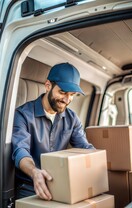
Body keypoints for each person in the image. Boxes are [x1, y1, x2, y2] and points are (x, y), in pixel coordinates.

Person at [12, 62, 94, 200]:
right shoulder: (22, 115)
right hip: (29, 186)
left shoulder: (72, 118)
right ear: (48, 86)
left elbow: (85, 148)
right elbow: (20, 151)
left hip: (60, 185)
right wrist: (35, 172)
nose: (67, 100)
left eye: (72, 94)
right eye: (62, 92)